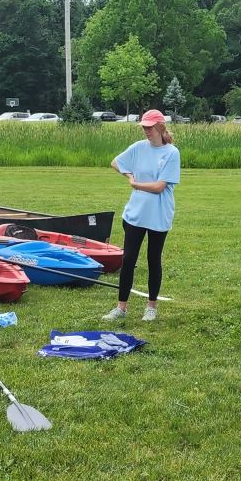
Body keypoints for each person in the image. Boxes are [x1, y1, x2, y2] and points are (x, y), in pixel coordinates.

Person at [103, 109, 181, 323]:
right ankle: (121, 307)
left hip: (158, 215)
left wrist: (135, 184)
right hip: (135, 214)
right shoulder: (138, 148)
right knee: (128, 260)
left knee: (153, 260)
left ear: (160, 127)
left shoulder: (171, 153)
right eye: (144, 127)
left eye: (150, 127)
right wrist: (129, 174)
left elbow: (159, 187)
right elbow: (115, 162)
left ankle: (151, 307)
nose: (146, 131)